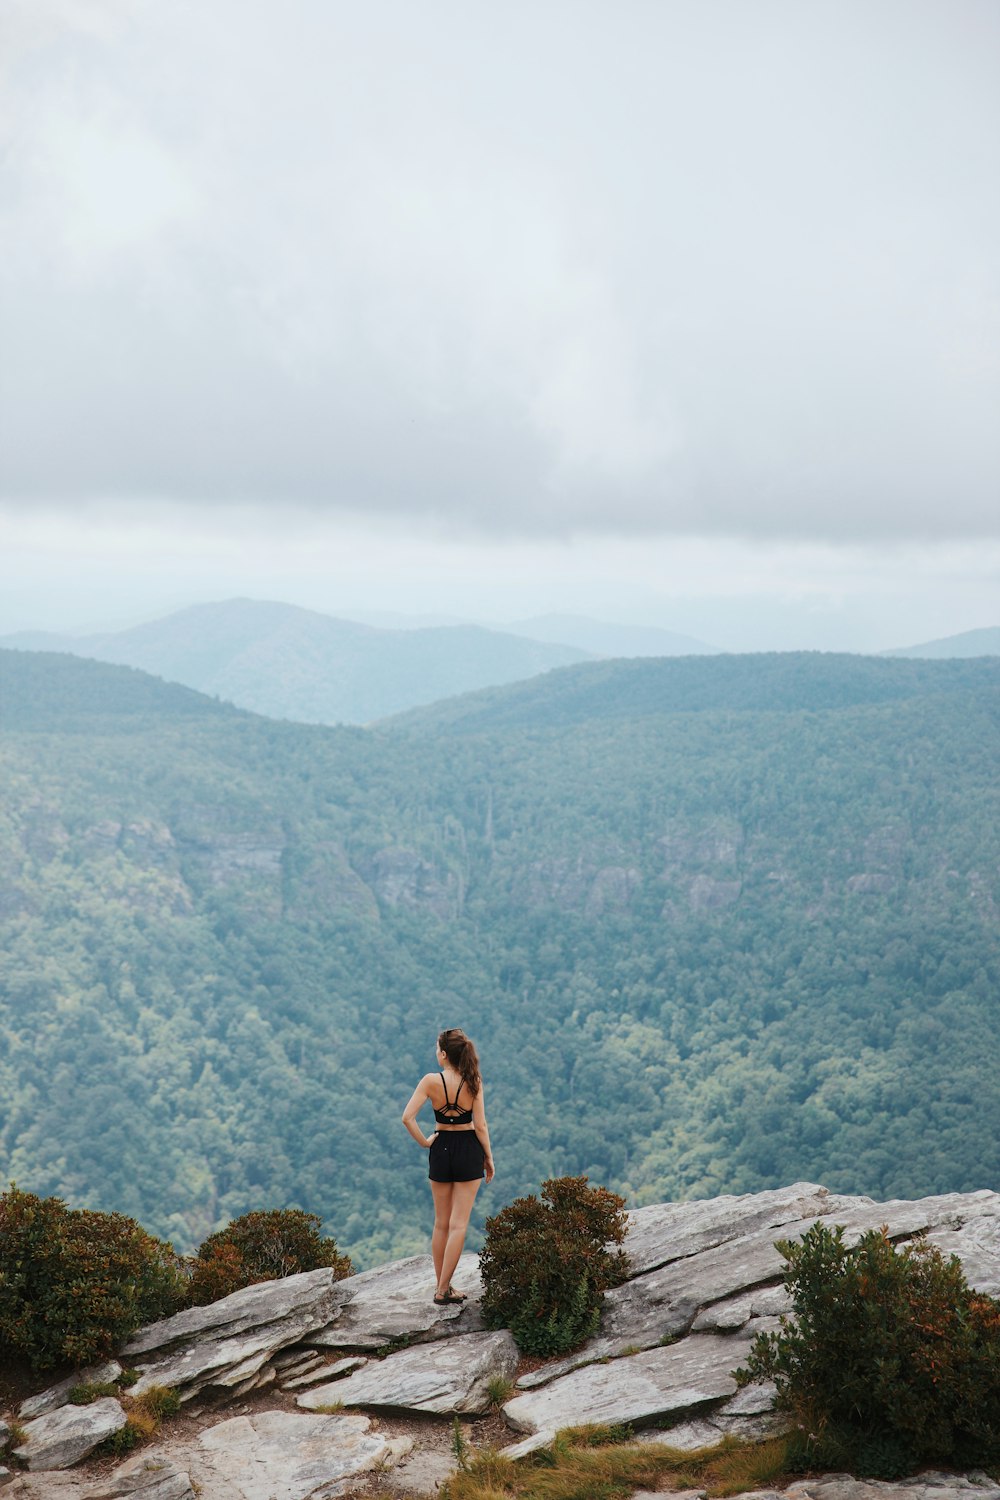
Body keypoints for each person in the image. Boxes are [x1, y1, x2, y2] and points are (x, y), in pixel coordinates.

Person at [402, 1026, 495, 1304]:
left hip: (440, 1147)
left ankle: (442, 1285)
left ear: (443, 1054)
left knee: (441, 1223)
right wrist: (488, 1157)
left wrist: (425, 1142)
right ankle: (443, 1289)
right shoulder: (473, 1080)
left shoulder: (430, 1081)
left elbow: (407, 1117)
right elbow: (480, 1124)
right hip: (468, 1148)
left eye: (436, 1048)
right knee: (459, 1224)